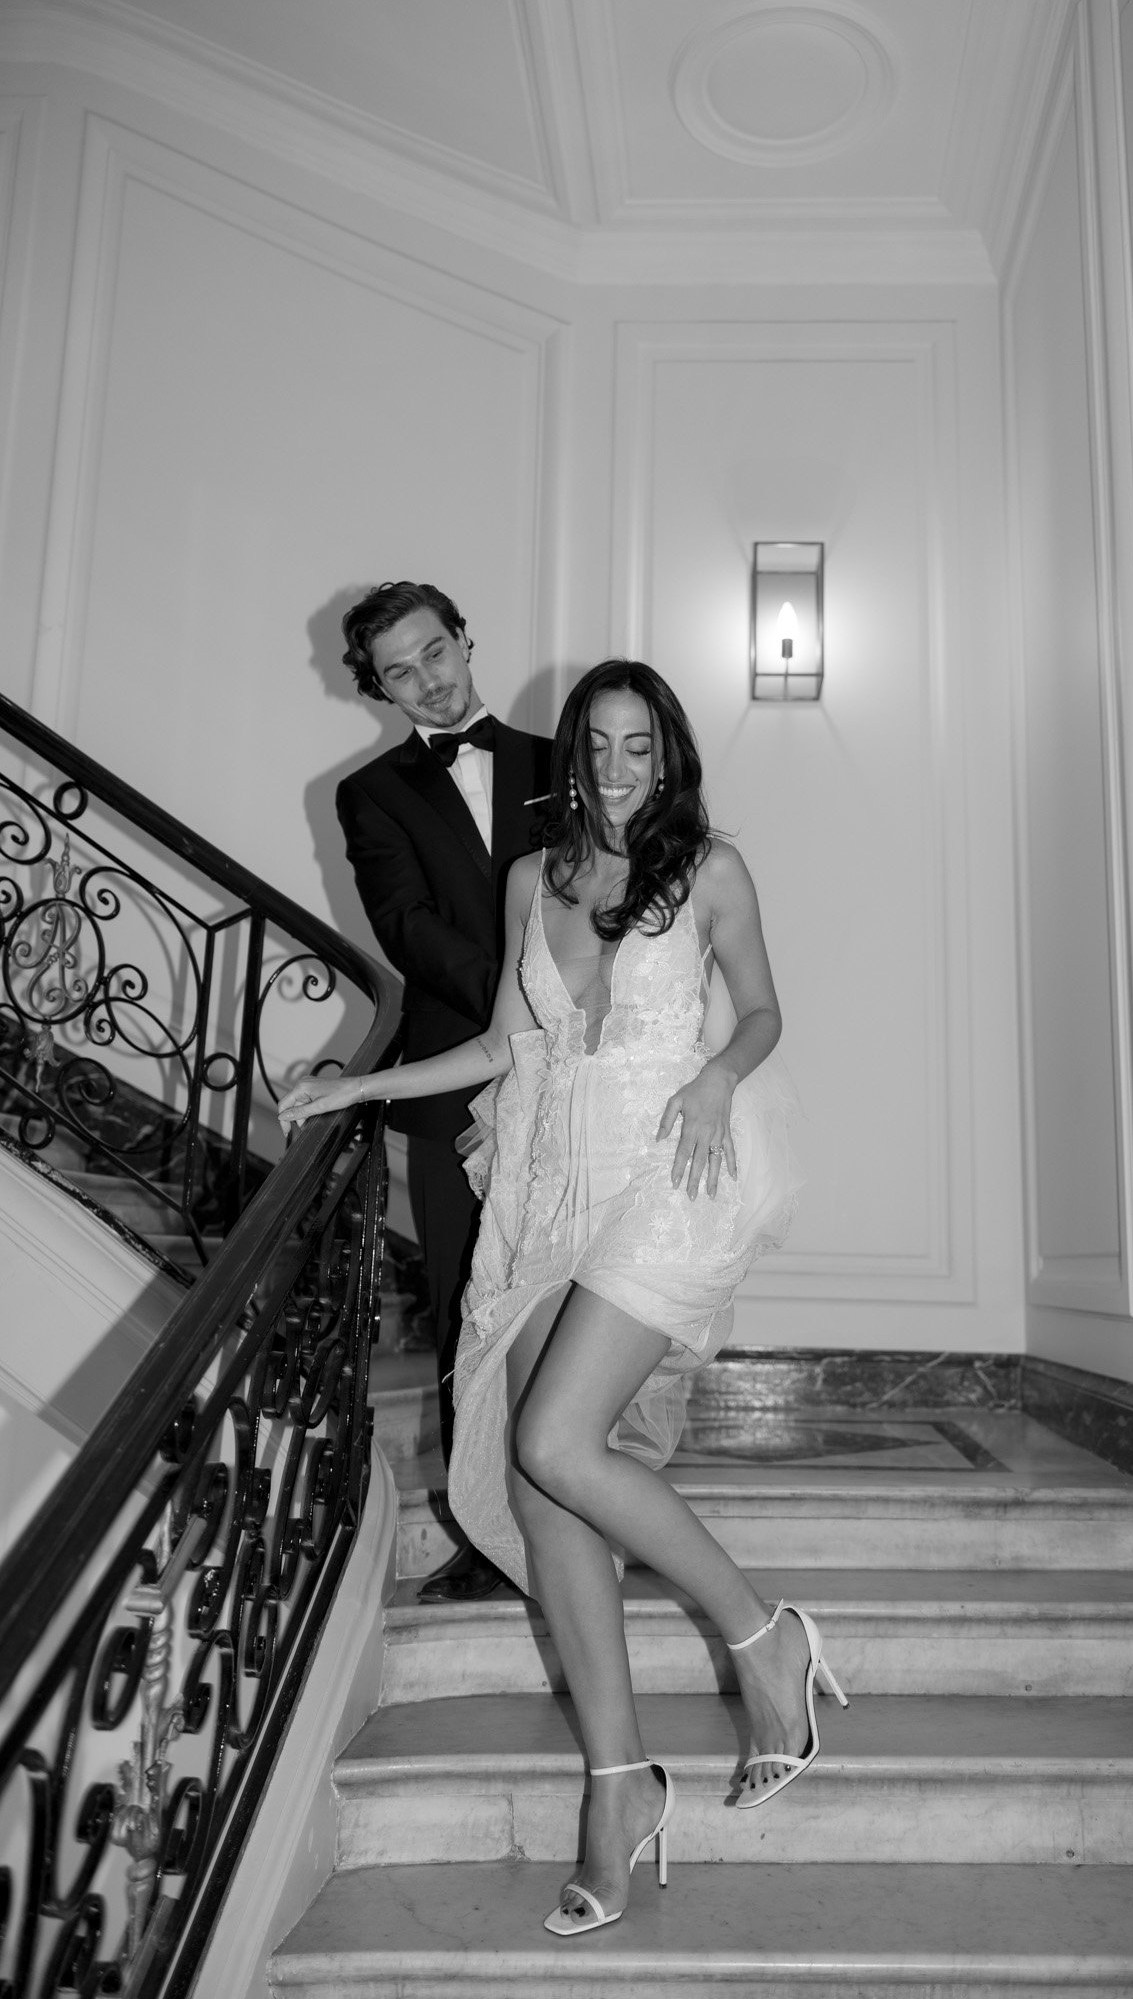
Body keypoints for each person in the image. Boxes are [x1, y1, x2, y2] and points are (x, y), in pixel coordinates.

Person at [281, 661, 845, 1935]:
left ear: (669, 751)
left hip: (668, 1167)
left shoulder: (711, 869)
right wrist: (347, 1093)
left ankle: (766, 1641)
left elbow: (758, 1013)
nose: (614, 764)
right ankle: (617, 1786)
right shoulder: (533, 878)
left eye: (639, 744)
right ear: (573, 754)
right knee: (547, 1503)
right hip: (548, 1185)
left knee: (552, 1437)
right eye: (596, 743)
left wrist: (715, 1081)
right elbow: (500, 1046)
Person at [335, 581, 550, 1601]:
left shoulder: (563, 762)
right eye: (399, 672)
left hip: (578, 1084)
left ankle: (575, 1503)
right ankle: (481, 1532)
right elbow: (406, 928)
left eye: (435, 652)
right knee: (466, 1304)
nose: (427, 679)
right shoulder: (369, 795)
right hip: (450, 1087)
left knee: (567, 1299)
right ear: (375, 687)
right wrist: (528, 1000)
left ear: (466, 638)